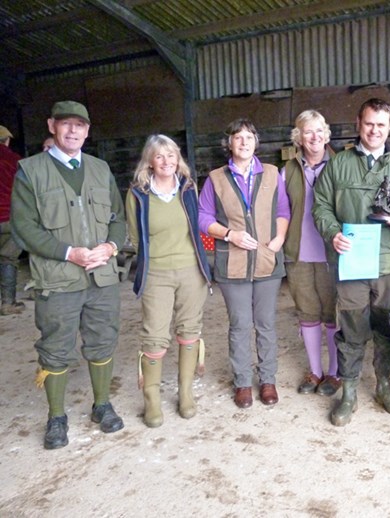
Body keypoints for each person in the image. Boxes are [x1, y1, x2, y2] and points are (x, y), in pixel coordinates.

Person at [10, 100, 126, 449]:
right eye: (65, 124)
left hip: (101, 277)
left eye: (79, 125)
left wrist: (110, 247)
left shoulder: (100, 168)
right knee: (55, 348)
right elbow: (24, 227)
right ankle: (57, 416)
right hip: (58, 279)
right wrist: (68, 252)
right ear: (52, 126)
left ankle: (102, 405)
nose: (73, 130)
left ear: (87, 131)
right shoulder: (30, 171)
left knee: (102, 340)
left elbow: (118, 218)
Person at [312, 98, 390, 426]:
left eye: (381, 125)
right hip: (351, 264)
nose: (374, 130)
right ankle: (349, 393)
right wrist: (332, 232)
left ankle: (384, 385)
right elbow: (320, 206)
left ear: (389, 127)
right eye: (369, 123)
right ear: (358, 125)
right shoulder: (338, 165)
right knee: (351, 329)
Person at [199, 118, 289, 409]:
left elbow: (283, 210)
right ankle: (242, 383)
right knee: (239, 325)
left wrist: (278, 240)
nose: (244, 142)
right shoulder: (215, 178)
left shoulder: (272, 173)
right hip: (233, 264)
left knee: (266, 323)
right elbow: (203, 218)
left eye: (249, 137)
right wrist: (230, 234)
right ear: (229, 143)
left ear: (256, 142)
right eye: (238, 137)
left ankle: (268, 380)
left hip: (266, 261)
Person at [126, 135, 212, 427]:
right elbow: (135, 237)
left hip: (191, 270)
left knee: (190, 329)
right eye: (159, 156)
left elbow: (197, 226)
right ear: (149, 161)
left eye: (171, 155)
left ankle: (185, 392)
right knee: (154, 335)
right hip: (157, 272)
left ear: (178, 159)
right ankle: (151, 398)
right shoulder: (138, 194)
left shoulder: (188, 188)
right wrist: (152, 263)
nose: (166, 161)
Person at [281, 110, 341, 396]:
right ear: (299, 137)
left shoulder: (341, 165)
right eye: (308, 131)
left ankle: (335, 372)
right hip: (300, 252)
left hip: (332, 251)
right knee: (307, 312)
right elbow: (281, 211)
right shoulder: (288, 170)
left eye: (319, 130)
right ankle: (315, 371)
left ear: (326, 134)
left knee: (333, 313)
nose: (314, 137)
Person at [0, 125, 25, 315]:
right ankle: (8, 304)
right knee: (8, 258)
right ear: (7, 141)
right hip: (9, 218)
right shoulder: (15, 161)